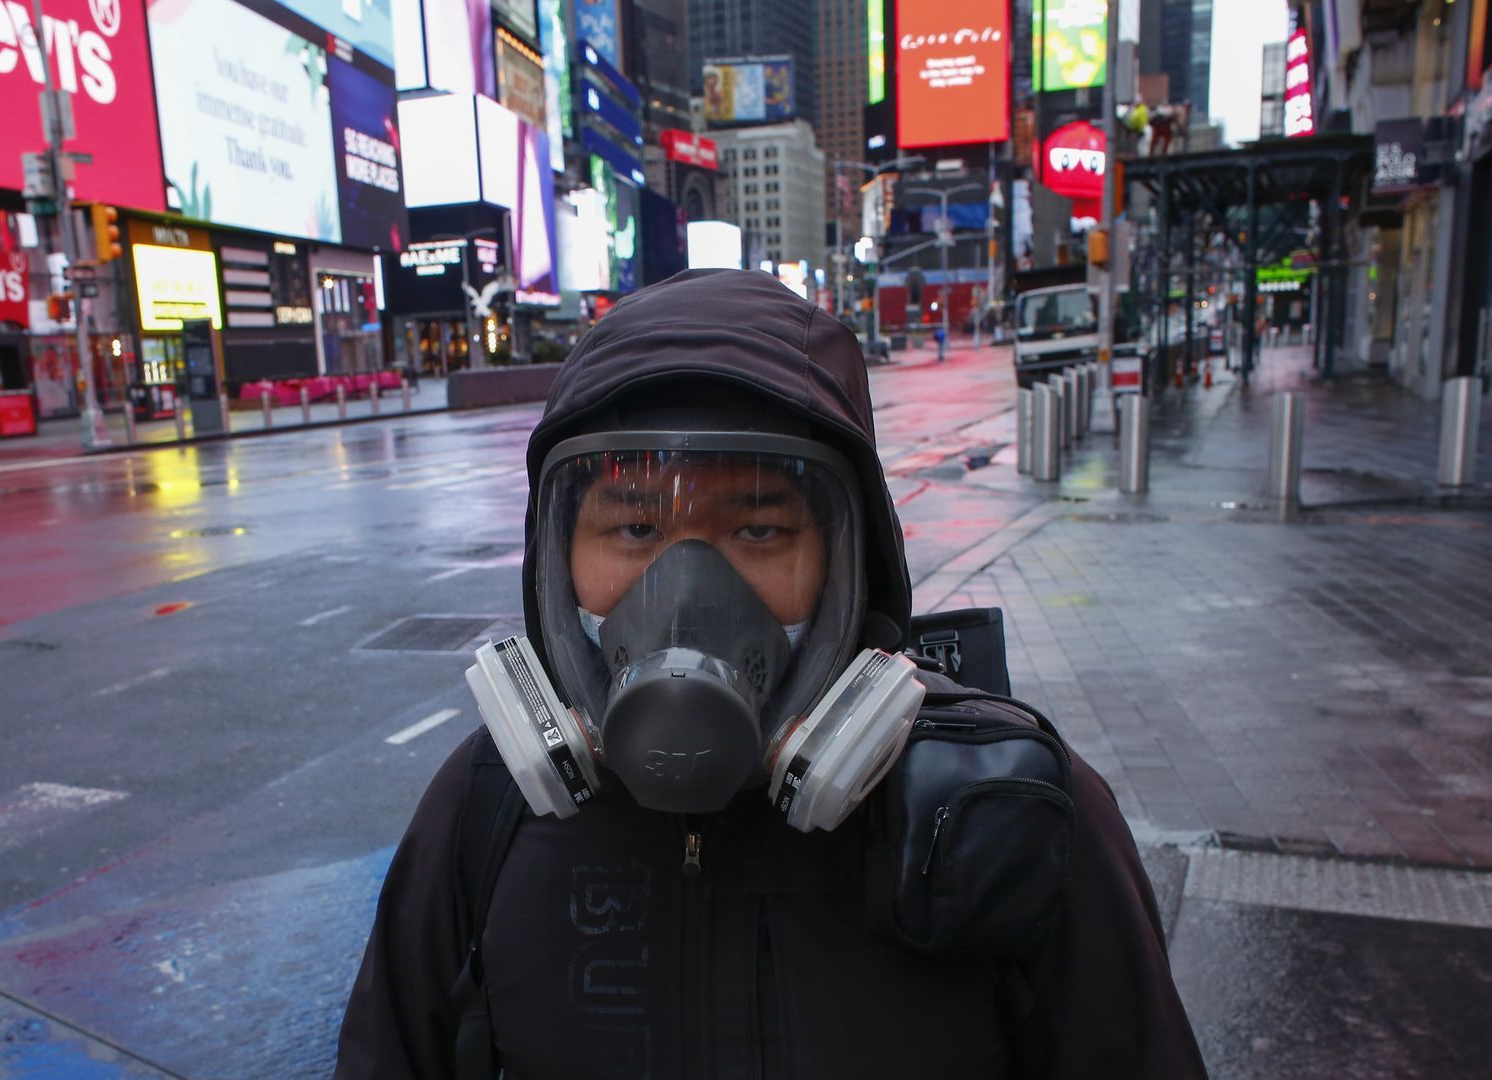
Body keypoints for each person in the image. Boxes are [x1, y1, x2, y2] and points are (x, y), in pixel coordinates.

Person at [335, 269, 1205, 1079]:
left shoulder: (1003, 816)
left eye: (759, 532)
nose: (684, 595)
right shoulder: (483, 816)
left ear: (847, 561)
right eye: (635, 530)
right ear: (558, 561)